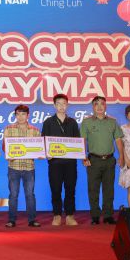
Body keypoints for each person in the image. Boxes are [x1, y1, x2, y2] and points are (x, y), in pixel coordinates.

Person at [80, 96, 124, 224]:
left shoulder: (112, 122)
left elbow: (118, 140)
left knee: (109, 189)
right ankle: (95, 216)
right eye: (96, 104)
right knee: (93, 189)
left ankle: (108, 215)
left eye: (102, 104)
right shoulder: (86, 122)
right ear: (93, 107)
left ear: (106, 106)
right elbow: (82, 141)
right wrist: (84, 157)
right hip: (93, 160)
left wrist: (121, 156)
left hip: (110, 160)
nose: (99, 107)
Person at [40, 93, 81, 226]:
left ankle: (69, 215)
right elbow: (43, 141)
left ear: (67, 105)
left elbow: (78, 142)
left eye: (64, 103)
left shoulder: (73, 122)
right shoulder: (48, 122)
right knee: (55, 189)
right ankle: (57, 215)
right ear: (54, 105)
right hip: (55, 162)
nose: (61, 106)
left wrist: (79, 153)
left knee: (70, 188)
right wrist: (47, 153)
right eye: (58, 104)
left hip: (70, 162)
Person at [3, 105, 41, 228]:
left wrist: (40, 153)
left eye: (23, 114)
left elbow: (39, 148)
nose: (20, 117)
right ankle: (11, 220)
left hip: (29, 166)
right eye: (18, 114)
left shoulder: (35, 131)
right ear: (15, 115)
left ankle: (32, 220)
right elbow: (5, 147)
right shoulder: (8, 129)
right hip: (13, 166)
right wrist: (8, 153)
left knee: (30, 194)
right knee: (13, 195)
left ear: (28, 115)